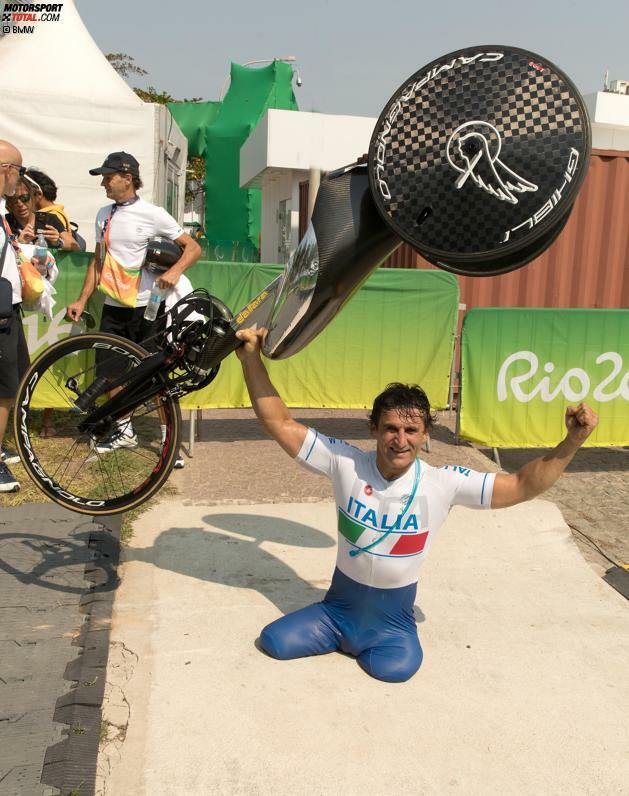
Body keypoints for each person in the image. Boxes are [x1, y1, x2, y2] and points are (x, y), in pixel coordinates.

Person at [235, 327, 599, 683]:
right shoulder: (344, 461)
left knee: (394, 671)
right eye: (391, 428)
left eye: (411, 431)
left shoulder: (444, 482)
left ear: (425, 436)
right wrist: (250, 359)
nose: (400, 439)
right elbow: (279, 422)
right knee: (274, 642)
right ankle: (341, 632)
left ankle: (378, 635)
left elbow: (521, 485)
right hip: (335, 614)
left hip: (391, 627)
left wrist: (573, 440)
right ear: (375, 429)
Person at [66, 152, 201, 466]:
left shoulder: (153, 213)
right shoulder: (103, 214)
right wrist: (82, 300)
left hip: (149, 308)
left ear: (128, 177)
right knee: (110, 375)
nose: (103, 183)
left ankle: (170, 441)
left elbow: (193, 248)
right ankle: (124, 431)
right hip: (114, 308)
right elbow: (97, 261)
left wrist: (174, 271)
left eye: (108, 176)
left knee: (155, 377)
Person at [25, 168, 81, 251]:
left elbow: (74, 246)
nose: (21, 203)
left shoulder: (50, 215)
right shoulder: (55, 211)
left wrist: (58, 242)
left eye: (25, 197)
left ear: (39, 194)